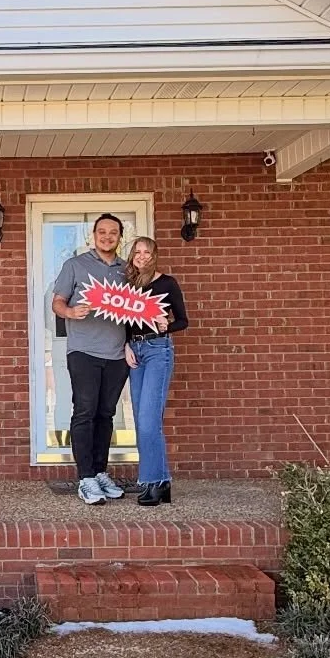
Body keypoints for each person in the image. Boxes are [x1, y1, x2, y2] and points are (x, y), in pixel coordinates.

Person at [51, 213, 133, 506]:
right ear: (93, 236)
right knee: (84, 411)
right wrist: (71, 312)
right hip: (83, 351)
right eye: (102, 231)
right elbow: (57, 301)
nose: (107, 236)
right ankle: (85, 477)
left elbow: (136, 312)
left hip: (116, 354)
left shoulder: (128, 270)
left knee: (106, 414)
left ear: (120, 237)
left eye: (113, 232)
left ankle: (100, 472)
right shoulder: (75, 265)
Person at [122, 236, 189, 506]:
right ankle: (161, 482)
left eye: (146, 252)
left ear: (154, 255)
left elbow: (183, 320)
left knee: (150, 420)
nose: (141, 256)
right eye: (137, 252)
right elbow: (126, 322)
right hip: (135, 352)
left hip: (158, 351)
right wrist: (126, 344)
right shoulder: (129, 286)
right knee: (141, 421)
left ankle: (153, 482)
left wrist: (166, 326)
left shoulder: (167, 283)